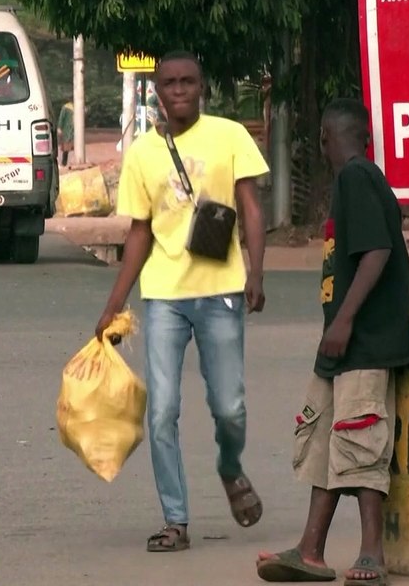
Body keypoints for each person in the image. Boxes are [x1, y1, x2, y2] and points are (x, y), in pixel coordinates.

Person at [94, 50, 269, 552]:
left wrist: (256, 271)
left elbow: (251, 207)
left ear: (202, 86)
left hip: (222, 292)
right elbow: (139, 232)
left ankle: (230, 467)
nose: (178, 91)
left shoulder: (230, 135)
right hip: (165, 296)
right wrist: (114, 304)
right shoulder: (144, 154)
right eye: (169, 83)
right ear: (156, 90)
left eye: (187, 82)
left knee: (230, 407)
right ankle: (176, 520)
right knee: (162, 411)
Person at [256, 98, 409, 586]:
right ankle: (310, 550)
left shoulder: (357, 178)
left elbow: (377, 251)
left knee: (361, 438)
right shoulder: (359, 179)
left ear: (326, 138)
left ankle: (372, 553)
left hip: (364, 342)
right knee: (324, 439)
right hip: (341, 346)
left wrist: (345, 320)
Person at [56, 100, 75, 168]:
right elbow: (61, 118)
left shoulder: (77, 107)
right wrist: (59, 127)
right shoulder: (66, 107)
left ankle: (70, 162)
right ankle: (64, 163)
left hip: (74, 131)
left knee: (72, 147)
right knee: (66, 148)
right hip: (67, 130)